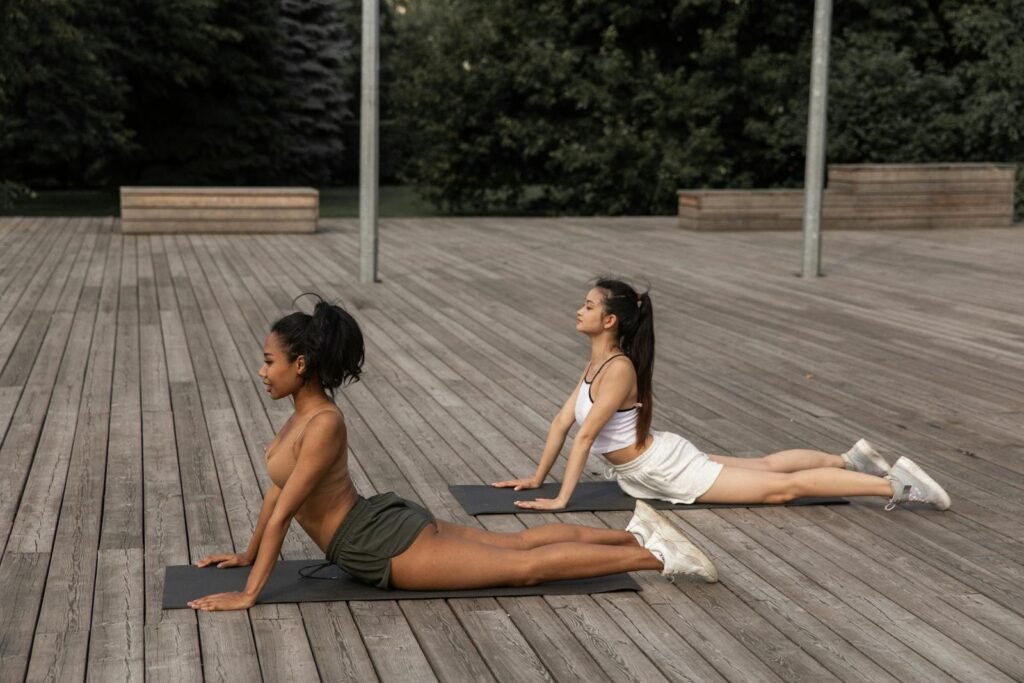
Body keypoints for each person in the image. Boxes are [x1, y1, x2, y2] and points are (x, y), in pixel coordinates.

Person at [187, 296, 717, 612]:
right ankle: (633, 532)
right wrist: (248, 554)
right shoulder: (300, 417)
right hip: (374, 528)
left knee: (520, 568)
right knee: (511, 550)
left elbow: (284, 513)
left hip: (377, 546)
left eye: (269, 361)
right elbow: (278, 492)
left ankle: (656, 556)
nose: (262, 371)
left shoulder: (323, 422)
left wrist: (248, 594)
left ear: (300, 364)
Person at [493, 278, 951, 513]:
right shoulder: (597, 363)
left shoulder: (617, 370)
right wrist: (537, 479)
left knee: (779, 488)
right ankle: (852, 460)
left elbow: (585, 437)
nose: (580, 310)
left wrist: (560, 499)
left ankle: (897, 485)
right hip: (656, 459)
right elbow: (561, 423)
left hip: (660, 466)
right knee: (768, 466)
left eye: (589, 306)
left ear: (609, 320)